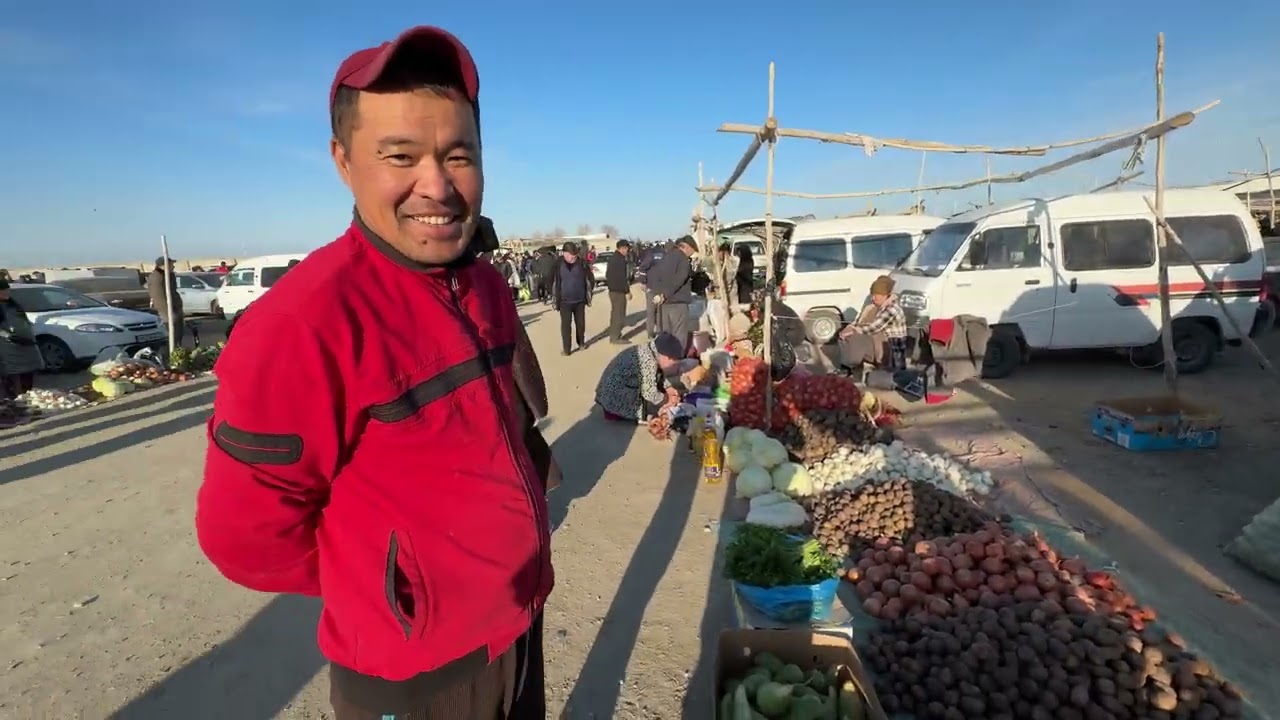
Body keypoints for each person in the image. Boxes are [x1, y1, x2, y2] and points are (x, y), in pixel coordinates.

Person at [194, 26, 551, 719]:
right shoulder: (301, 325)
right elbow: (245, 539)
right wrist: (394, 586)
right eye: (401, 156)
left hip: (518, 622)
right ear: (342, 161)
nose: (438, 187)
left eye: (459, 156)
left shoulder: (486, 287)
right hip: (413, 675)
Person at [594, 331, 685, 422]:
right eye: (674, 364)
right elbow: (650, 393)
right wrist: (667, 400)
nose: (675, 368)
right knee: (656, 408)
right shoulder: (648, 361)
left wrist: (668, 388)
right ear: (666, 357)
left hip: (615, 387)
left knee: (659, 395)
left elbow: (657, 375)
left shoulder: (652, 351)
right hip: (613, 395)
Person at [838, 274, 908, 373]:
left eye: (876, 296)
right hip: (881, 344)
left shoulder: (892, 309)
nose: (873, 298)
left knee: (857, 338)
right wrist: (851, 328)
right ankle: (848, 366)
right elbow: (861, 323)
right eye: (872, 295)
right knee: (846, 336)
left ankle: (852, 366)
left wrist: (855, 330)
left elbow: (874, 328)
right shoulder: (878, 307)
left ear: (885, 296)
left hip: (892, 351)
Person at [649, 235, 698, 351]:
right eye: (692, 250)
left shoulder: (666, 256)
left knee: (666, 336)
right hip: (678, 303)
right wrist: (665, 294)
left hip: (664, 304)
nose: (692, 254)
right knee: (679, 337)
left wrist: (659, 294)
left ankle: (665, 363)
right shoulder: (683, 259)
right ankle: (678, 364)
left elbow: (657, 276)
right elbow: (680, 279)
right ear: (686, 247)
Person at [0, 279, 44, 398]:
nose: (6, 293)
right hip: (7, 345)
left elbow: (21, 318)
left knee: (29, 370)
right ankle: (12, 398)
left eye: (6, 290)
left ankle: (27, 394)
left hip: (24, 341)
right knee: (12, 373)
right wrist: (8, 336)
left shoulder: (11, 303)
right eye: (3, 291)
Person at [550, 242, 592, 355]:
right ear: (564, 253)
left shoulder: (582, 263)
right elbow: (552, 281)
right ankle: (567, 349)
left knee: (580, 324)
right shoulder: (558, 264)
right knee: (565, 326)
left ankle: (581, 343)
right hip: (564, 301)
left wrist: (588, 293)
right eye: (570, 254)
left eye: (574, 254)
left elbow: (590, 279)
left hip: (580, 300)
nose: (572, 256)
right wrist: (554, 296)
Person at [148, 256, 184, 347]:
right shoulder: (157, 277)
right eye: (171, 264)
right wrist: (169, 313)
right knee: (172, 337)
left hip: (175, 309)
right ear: (163, 265)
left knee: (179, 335)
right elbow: (159, 297)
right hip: (168, 313)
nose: (173, 266)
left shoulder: (169, 275)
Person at [635, 243, 666, 338]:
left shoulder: (650, 254)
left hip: (651, 287)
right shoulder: (666, 255)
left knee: (651, 312)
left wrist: (642, 282)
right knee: (660, 312)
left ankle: (651, 333)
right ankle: (659, 332)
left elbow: (642, 268)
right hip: (661, 288)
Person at [605, 239, 633, 344]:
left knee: (615, 313)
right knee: (619, 314)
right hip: (618, 291)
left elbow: (608, 275)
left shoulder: (612, 259)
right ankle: (615, 337)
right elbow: (622, 277)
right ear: (621, 248)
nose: (627, 251)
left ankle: (614, 334)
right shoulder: (620, 260)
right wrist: (627, 291)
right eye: (626, 248)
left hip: (613, 290)